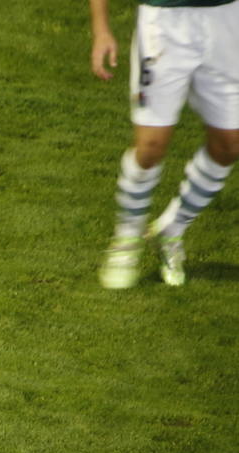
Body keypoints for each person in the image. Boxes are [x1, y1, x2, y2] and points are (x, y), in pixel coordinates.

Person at [91, 0, 239, 288]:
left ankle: (172, 228)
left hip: (227, 19)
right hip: (164, 23)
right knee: (150, 147)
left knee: (230, 144)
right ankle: (127, 238)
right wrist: (101, 30)